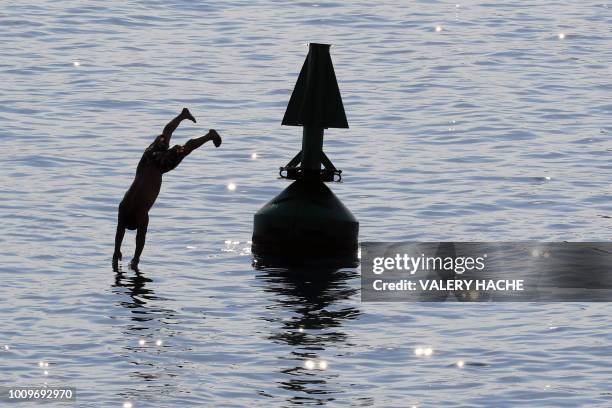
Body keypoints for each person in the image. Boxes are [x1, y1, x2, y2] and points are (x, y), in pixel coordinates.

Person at [113, 108, 222, 269]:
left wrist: (135, 260)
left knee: (185, 149)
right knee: (166, 134)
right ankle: (182, 115)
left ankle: (209, 135)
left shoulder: (141, 214)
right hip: (148, 159)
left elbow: (140, 238)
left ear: (135, 222)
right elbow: (120, 229)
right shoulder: (124, 206)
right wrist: (116, 250)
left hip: (159, 166)